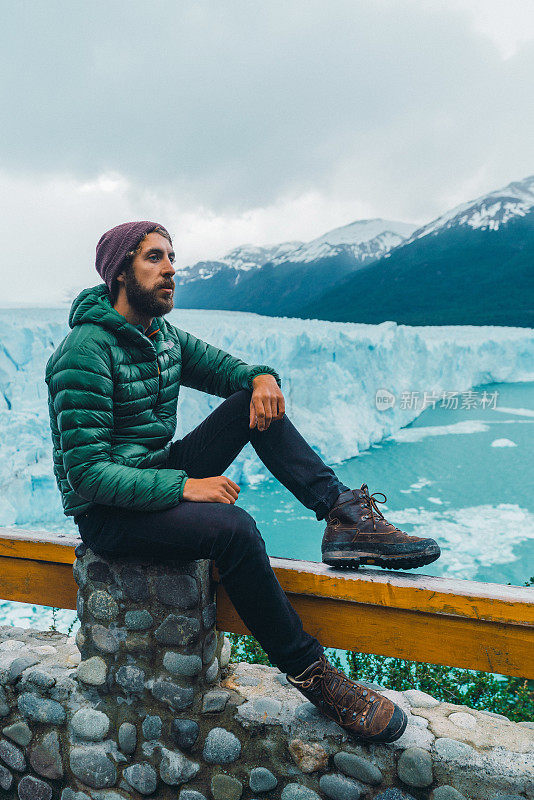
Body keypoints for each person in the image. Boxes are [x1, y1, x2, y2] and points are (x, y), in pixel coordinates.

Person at [45, 221, 441, 743]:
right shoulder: (85, 352)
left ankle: (344, 517)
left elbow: (232, 371)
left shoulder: (161, 337)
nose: (170, 270)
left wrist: (262, 378)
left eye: (172, 259)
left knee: (252, 408)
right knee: (233, 528)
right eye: (155, 259)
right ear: (120, 272)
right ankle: (312, 675)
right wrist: (186, 487)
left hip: (154, 472)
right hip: (108, 516)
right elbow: (88, 475)